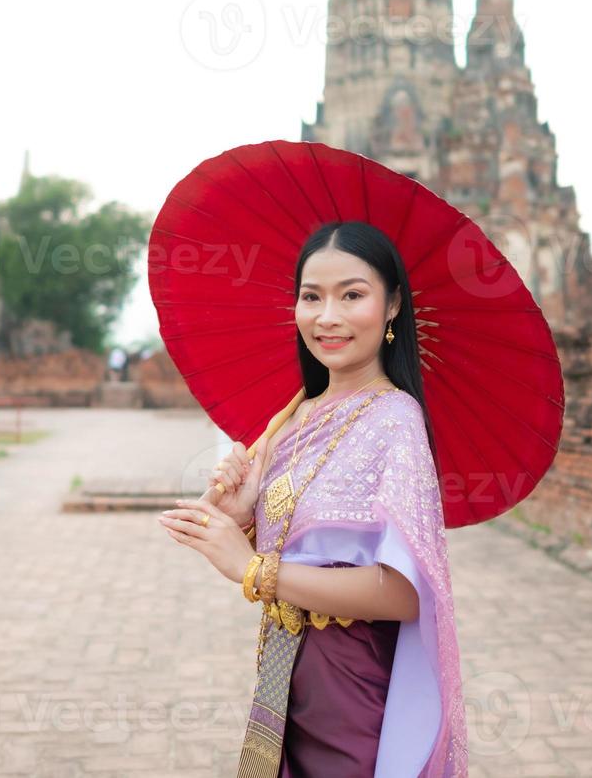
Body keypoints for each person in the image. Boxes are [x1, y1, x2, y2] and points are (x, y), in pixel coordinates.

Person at [158, 220, 467, 776]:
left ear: (393, 304)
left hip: (350, 682)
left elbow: (402, 593)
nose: (327, 317)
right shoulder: (296, 415)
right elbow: (302, 544)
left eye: (352, 295)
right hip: (282, 667)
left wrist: (253, 568)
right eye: (311, 296)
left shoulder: (395, 421)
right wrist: (244, 516)